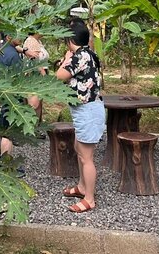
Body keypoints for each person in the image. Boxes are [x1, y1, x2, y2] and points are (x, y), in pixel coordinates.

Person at [56, 21, 104, 213]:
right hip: (86, 110)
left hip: (88, 111)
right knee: (79, 149)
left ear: (70, 40)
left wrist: (66, 59)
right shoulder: (90, 53)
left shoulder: (79, 56)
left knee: (87, 157)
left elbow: (58, 76)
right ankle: (82, 187)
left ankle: (89, 199)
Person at [22, 32, 49, 122]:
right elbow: (34, 61)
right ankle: (33, 128)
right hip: (35, 75)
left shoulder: (38, 41)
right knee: (34, 105)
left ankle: (37, 127)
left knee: (38, 104)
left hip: (40, 74)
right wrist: (44, 75)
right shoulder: (31, 41)